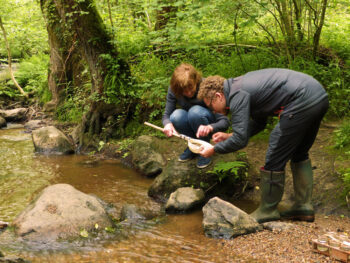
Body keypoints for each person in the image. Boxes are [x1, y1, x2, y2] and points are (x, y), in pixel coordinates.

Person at [197, 68, 329, 223]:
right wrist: (229, 135)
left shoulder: (237, 95)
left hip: (302, 100)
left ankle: (267, 210)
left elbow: (241, 140)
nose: (213, 111)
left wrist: (214, 149)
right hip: (318, 96)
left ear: (218, 96)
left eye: (211, 107)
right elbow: (260, 122)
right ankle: (303, 207)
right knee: (299, 152)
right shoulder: (240, 87)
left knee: (275, 152)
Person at [162, 63, 229, 169]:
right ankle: (193, 146)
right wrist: (167, 124)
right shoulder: (174, 90)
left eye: (191, 88)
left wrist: (210, 127)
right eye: (184, 91)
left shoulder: (207, 87)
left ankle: (204, 148)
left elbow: (224, 122)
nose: (188, 93)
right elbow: (167, 115)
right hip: (192, 123)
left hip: (208, 124)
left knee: (195, 111)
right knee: (175, 116)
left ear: (196, 81)